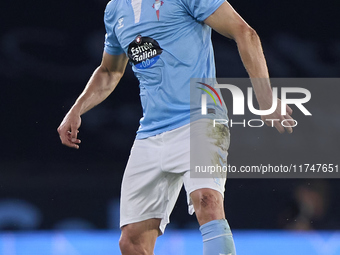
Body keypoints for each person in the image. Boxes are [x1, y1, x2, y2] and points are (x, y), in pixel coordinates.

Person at [57, 0, 294, 254]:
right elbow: (109, 70)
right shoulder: (115, 9)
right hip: (151, 132)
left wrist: (266, 98)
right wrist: (77, 108)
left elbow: (244, 32)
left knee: (207, 200)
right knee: (131, 241)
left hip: (202, 119)